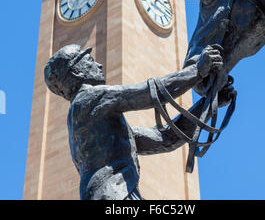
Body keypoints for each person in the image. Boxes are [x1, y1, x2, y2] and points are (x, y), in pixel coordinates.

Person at [44, 43, 229, 200]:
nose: (99, 65)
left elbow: (164, 139)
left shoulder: (99, 122)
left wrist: (207, 104)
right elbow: (149, 93)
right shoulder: (91, 98)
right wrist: (197, 70)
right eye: (90, 61)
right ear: (76, 71)